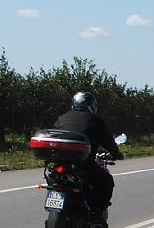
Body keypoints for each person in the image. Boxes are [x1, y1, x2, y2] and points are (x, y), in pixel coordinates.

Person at [52, 91, 123, 221]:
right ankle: (95, 215)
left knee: (54, 182)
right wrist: (117, 154)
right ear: (91, 106)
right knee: (107, 182)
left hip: (60, 165)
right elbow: (108, 142)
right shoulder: (95, 120)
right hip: (84, 165)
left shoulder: (62, 118)